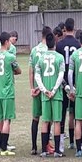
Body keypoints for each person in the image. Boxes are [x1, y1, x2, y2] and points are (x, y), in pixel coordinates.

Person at [35, 33, 66, 158]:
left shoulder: (41, 58)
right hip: (56, 94)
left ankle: (44, 150)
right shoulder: (60, 57)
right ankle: (58, 151)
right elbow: (61, 75)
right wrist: (53, 90)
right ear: (55, 43)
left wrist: (44, 90)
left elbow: (37, 76)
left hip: (45, 94)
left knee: (45, 121)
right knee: (57, 121)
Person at [0, 32, 21, 156]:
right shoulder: (10, 57)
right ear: (6, 42)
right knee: (6, 120)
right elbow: (18, 70)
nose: (10, 43)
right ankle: (4, 148)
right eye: (9, 41)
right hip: (7, 91)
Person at [55, 18, 81, 152]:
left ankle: (60, 145)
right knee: (76, 114)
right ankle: (75, 143)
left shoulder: (59, 45)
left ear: (65, 28)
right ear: (74, 27)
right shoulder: (78, 44)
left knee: (62, 114)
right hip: (76, 82)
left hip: (62, 82)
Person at [29, 26, 53, 155]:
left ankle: (33, 147)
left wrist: (32, 88)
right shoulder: (48, 50)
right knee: (47, 118)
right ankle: (46, 145)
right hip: (46, 88)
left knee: (35, 117)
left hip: (37, 89)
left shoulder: (34, 50)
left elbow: (31, 71)